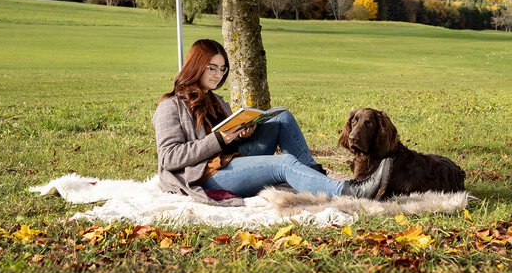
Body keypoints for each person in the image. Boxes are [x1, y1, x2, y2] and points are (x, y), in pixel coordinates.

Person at [152, 38, 391, 204]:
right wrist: (218, 139)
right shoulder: (170, 106)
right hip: (204, 177)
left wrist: (242, 133)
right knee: (283, 163)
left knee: (281, 116)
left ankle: (313, 177)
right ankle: (350, 192)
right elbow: (169, 158)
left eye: (223, 69)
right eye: (212, 68)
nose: (218, 74)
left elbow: (225, 143)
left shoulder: (217, 101)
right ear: (195, 66)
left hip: (229, 160)